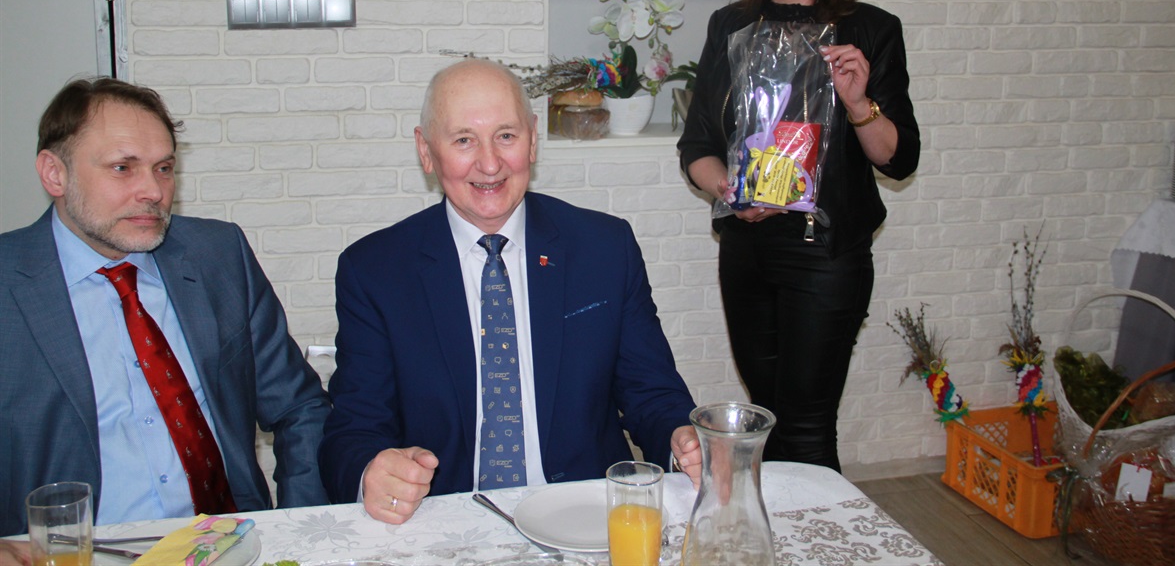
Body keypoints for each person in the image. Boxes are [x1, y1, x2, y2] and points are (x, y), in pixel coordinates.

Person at [319, 59, 701, 523]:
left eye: (506, 135)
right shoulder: (374, 271)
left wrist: (683, 441)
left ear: (533, 139)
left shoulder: (603, 248)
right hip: (445, 523)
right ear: (426, 151)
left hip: (586, 514)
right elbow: (354, 430)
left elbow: (653, 394)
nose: (489, 163)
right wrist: (371, 473)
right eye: (464, 140)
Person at [0, 78, 331, 539]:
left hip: (231, 541)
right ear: (55, 173)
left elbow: (300, 407)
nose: (153, 191)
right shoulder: (10, 284)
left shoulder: (218, 255)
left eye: (164, 168)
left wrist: (298, 526)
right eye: (123, 168)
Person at [677, 0, 920, 470]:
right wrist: (726, 189)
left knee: (808, 429)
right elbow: (698, 145)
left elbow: (898, 158)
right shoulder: (729, 27)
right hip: (747, 251)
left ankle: (815, 526)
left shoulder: (870, 30)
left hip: (825, 257)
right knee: (768, 419)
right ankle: (772, 525)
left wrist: (859, 103)